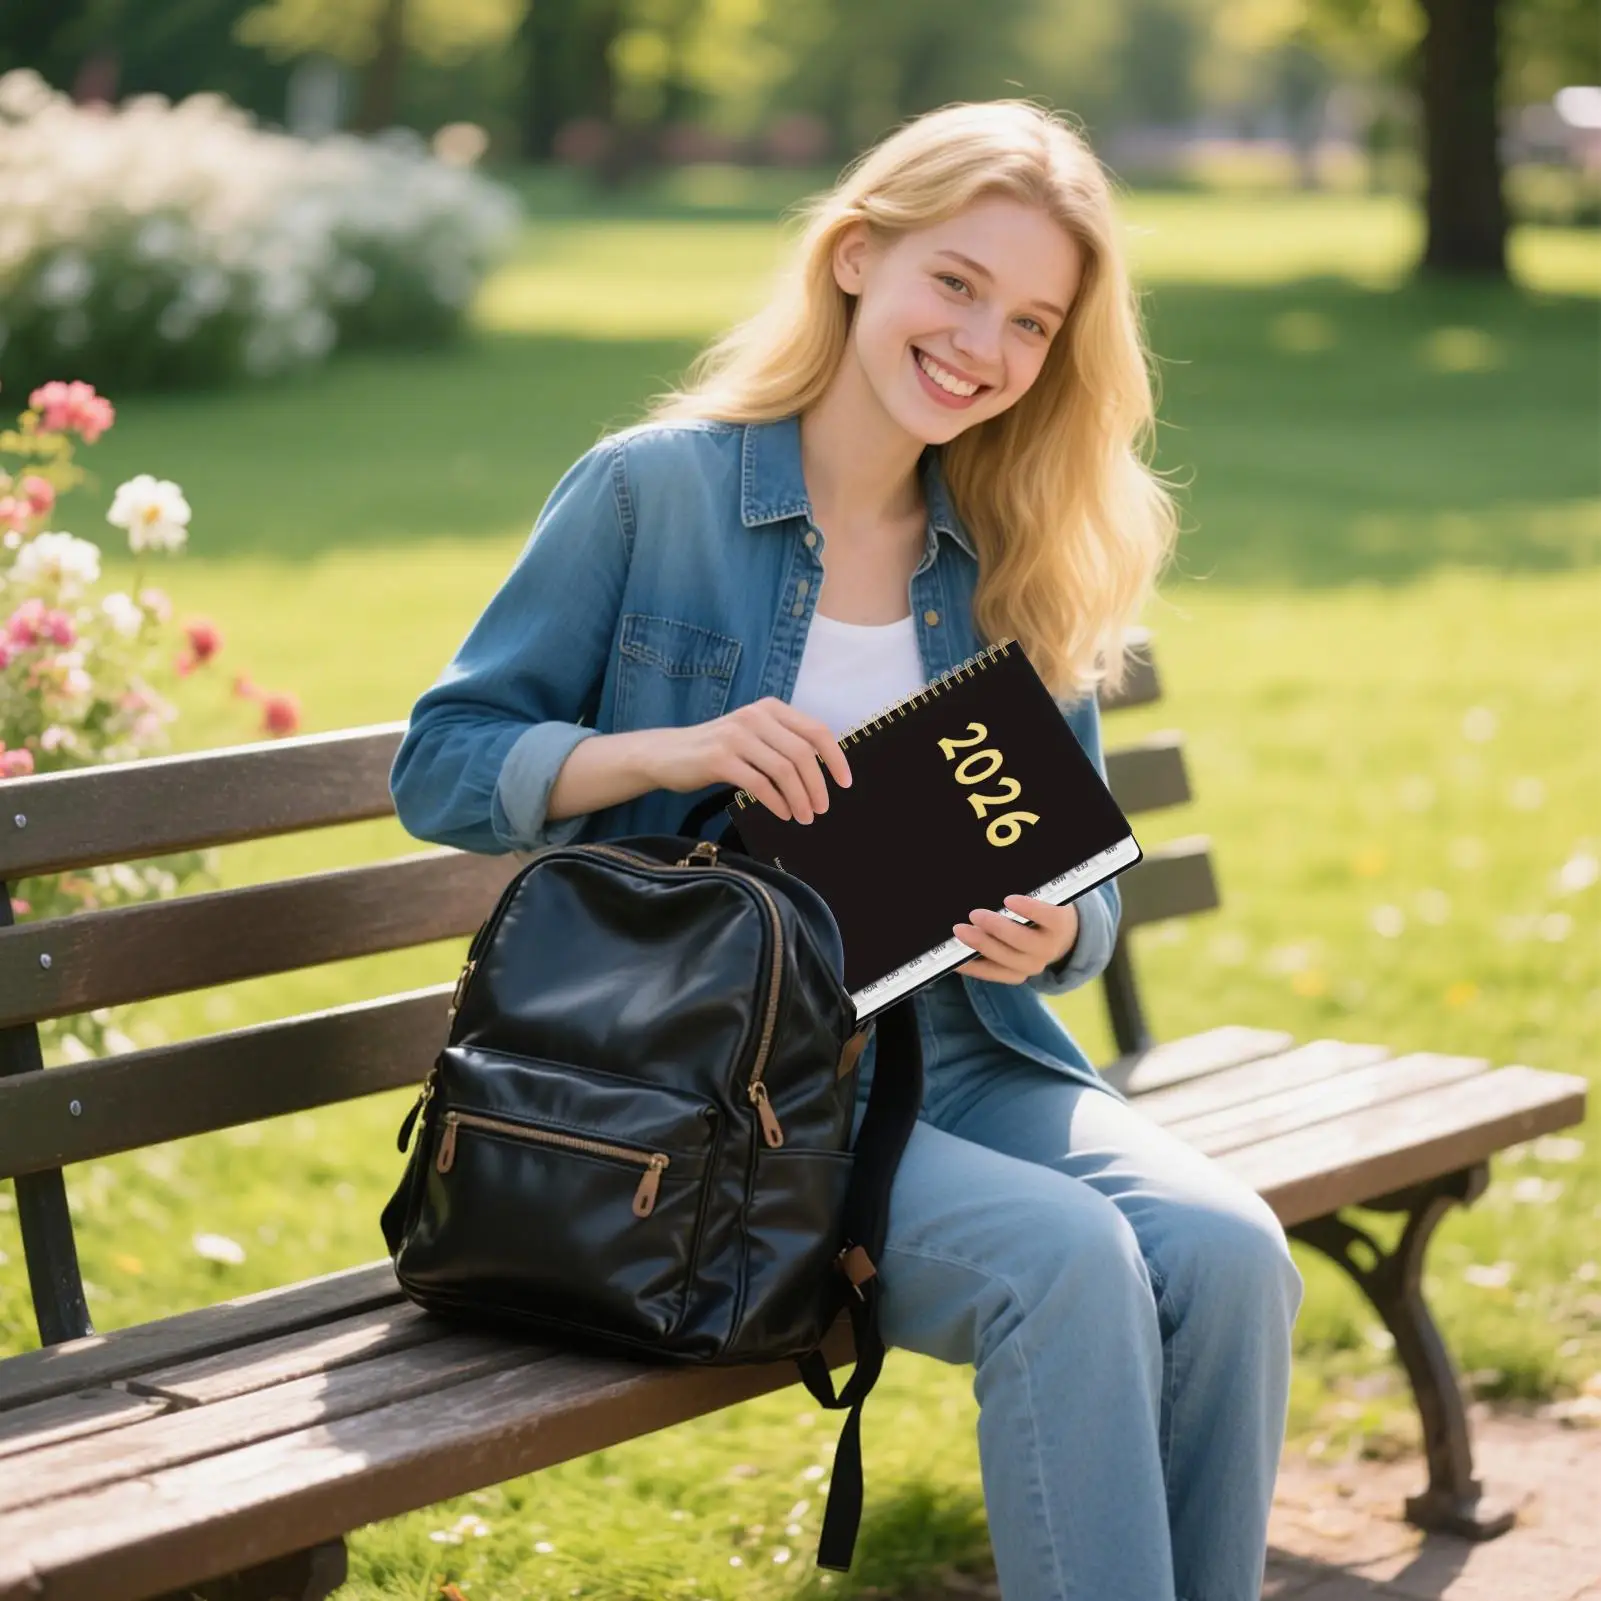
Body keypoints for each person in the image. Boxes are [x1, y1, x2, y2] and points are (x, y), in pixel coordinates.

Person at [390, 97, 1305, 1601]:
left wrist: (1055, 932)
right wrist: (670, 750)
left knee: (1232, 1252)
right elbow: (441, 763)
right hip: (730, 1106)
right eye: (956, 283)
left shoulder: (1010, 543)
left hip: (974, 1055)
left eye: (1030, 319)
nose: (983, 345)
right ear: (858, 259)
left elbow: (1087, 887)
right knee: (1065, 1268)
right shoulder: (650, 493)